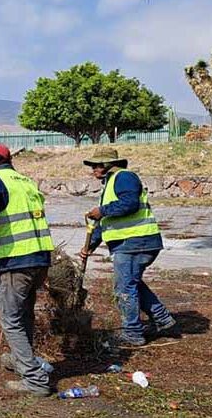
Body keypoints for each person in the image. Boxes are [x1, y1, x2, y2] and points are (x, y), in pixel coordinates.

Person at [0, 143, 54, 397]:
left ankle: (35, 379)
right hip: (40, 257)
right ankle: (21, 360)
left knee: (10, 318)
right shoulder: (25, 182)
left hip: (19, 261)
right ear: (10, 160)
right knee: (24, 312)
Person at [79, 146, 177, 347]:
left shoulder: (124, 177)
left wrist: (102, 210)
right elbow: (106, 220)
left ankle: (132, 333)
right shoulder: (111, 183)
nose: (93, 170)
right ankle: (162, 318)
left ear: (107, 165)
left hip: (134, 242)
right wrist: (92, 244)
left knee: (125, 287)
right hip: (134, 242)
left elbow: (129, 204)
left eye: (96, 165)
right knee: (133, 282)